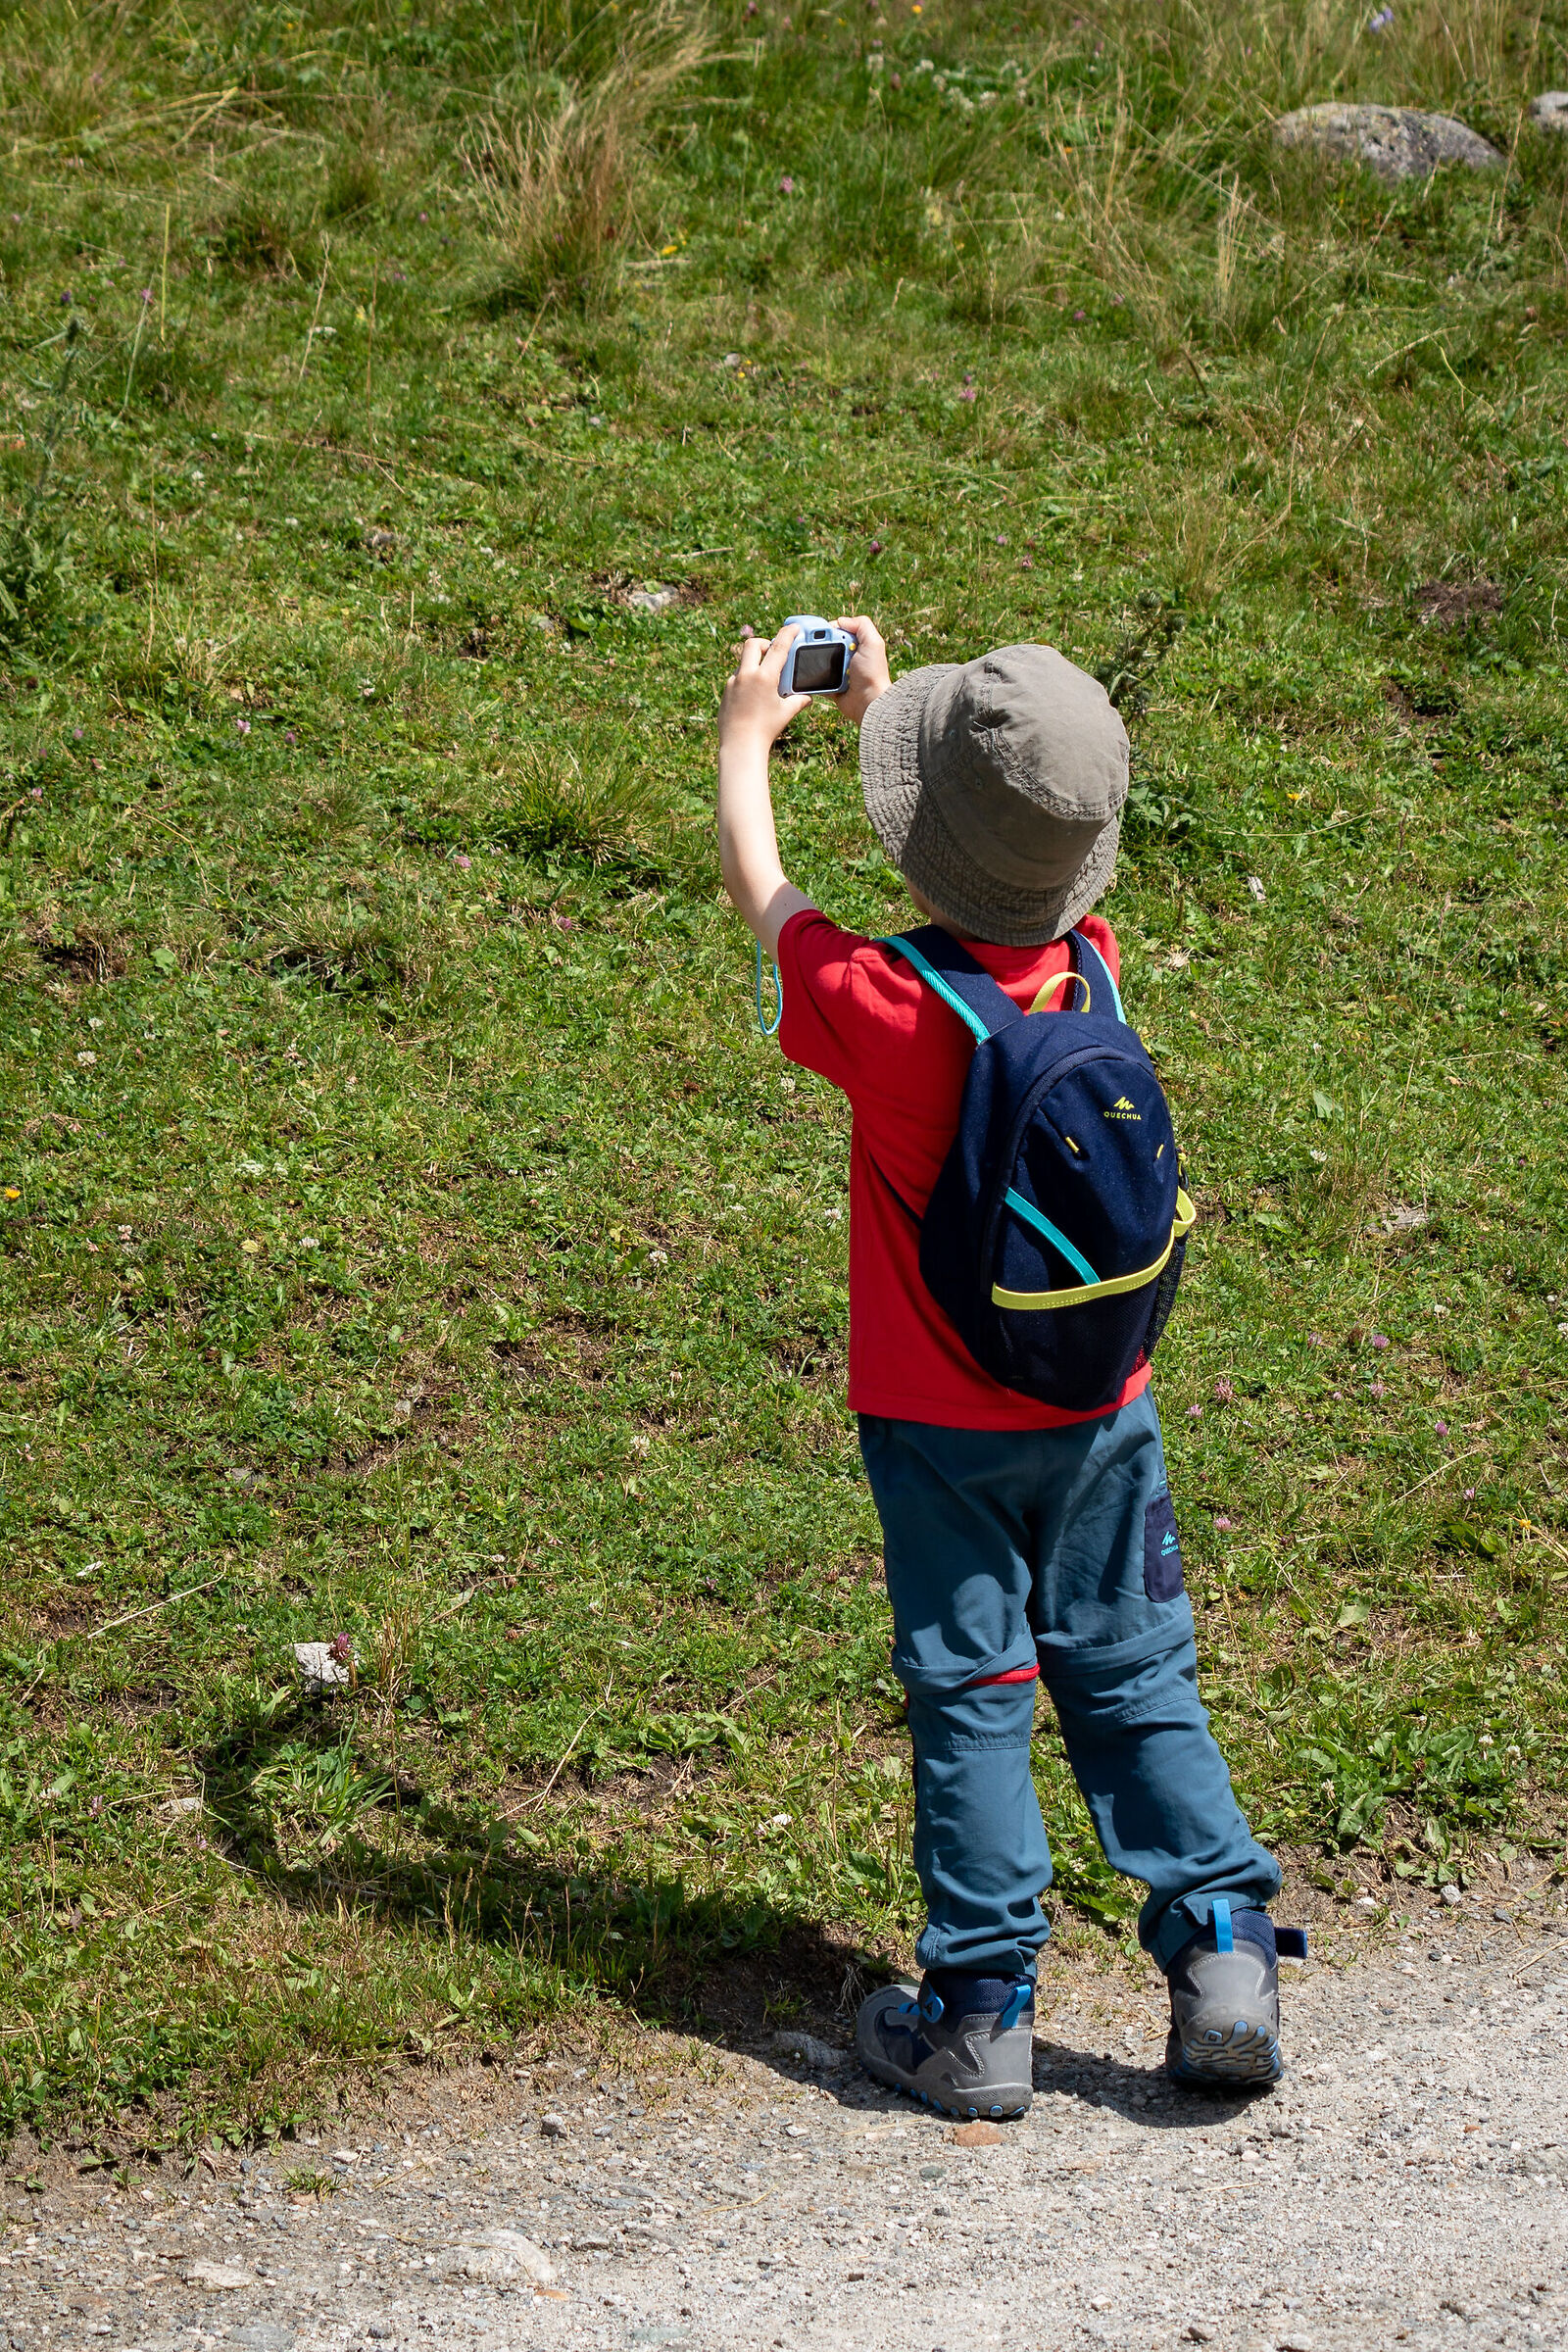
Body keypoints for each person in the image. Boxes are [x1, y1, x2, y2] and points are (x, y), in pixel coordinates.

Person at [714, 615, 1285, 2117]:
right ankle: (1223, 1944)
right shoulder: (1092, 970)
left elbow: (769, 898)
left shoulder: (882, 1009)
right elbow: (1000, 875)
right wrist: (916, 741)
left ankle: (980, 2014)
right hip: (1105, 1405)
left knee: (975, 1686)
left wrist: (749, 738)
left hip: (936, 1425)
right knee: (1136, 1662)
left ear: (920, 847)